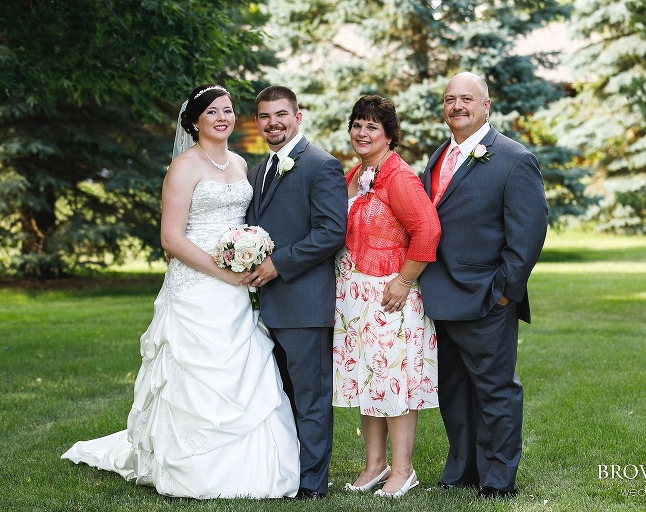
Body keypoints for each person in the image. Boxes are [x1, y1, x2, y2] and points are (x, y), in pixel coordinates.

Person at [61, 84, 300, 499]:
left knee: (246, 367)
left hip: (236, 286)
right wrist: (222, 272)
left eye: (227, 110)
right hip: (197, 285)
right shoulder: (184, 167)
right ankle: (189, 466)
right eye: (212, 112)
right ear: (194, 121)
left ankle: (258, 467)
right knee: (193, 373)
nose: (223, 118)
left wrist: (247, 254)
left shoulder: (242, 165)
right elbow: (171, 240)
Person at [419, 72, 548, 498]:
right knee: (454, 390)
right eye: (450, 99)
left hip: (487, 298)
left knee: (495, 391)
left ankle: (498, 478)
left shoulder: (513, 159)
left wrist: (504, 292)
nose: (457, 106)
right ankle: (463, 468)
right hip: (441, 296)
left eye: (467, 99)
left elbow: (527, 234)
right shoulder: (438, 158)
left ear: (486, 105)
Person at [332, 95, 441, 498]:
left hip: (390, 299)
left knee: (394, 383)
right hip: (356, 297)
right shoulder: (356, 174)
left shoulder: (399, 177)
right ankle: (375, 465)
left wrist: (404, 281)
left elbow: (428, 231)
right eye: (357, 124)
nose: (362, 133)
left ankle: (403, 469)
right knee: (368, 381)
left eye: (371, 127)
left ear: (389, 135)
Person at [242, 85, 348, 500]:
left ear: (298, 116)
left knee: (310, 398)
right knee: (278, 397)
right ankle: (284, 473)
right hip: (264, 306)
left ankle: (312, 484)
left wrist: (277, 264)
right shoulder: (257, 171)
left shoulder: (321, 165)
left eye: (281, 114)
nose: (274, 123)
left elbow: (330, 232)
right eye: (265, 117)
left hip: (304, 303)